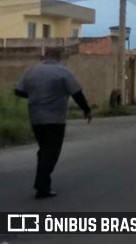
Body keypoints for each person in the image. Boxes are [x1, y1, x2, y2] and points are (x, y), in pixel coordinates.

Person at [14, 47, 92, 199]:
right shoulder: (63, 72)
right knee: (51, 152)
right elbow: (76, 93)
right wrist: (86, 110)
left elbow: (19, 91)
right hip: (55, 118)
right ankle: (42, 186)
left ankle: (43, 183)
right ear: (59, 57)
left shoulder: (30, 71)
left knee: (44, 150)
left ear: (44, 56)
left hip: (36, 118)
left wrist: (36, 95)